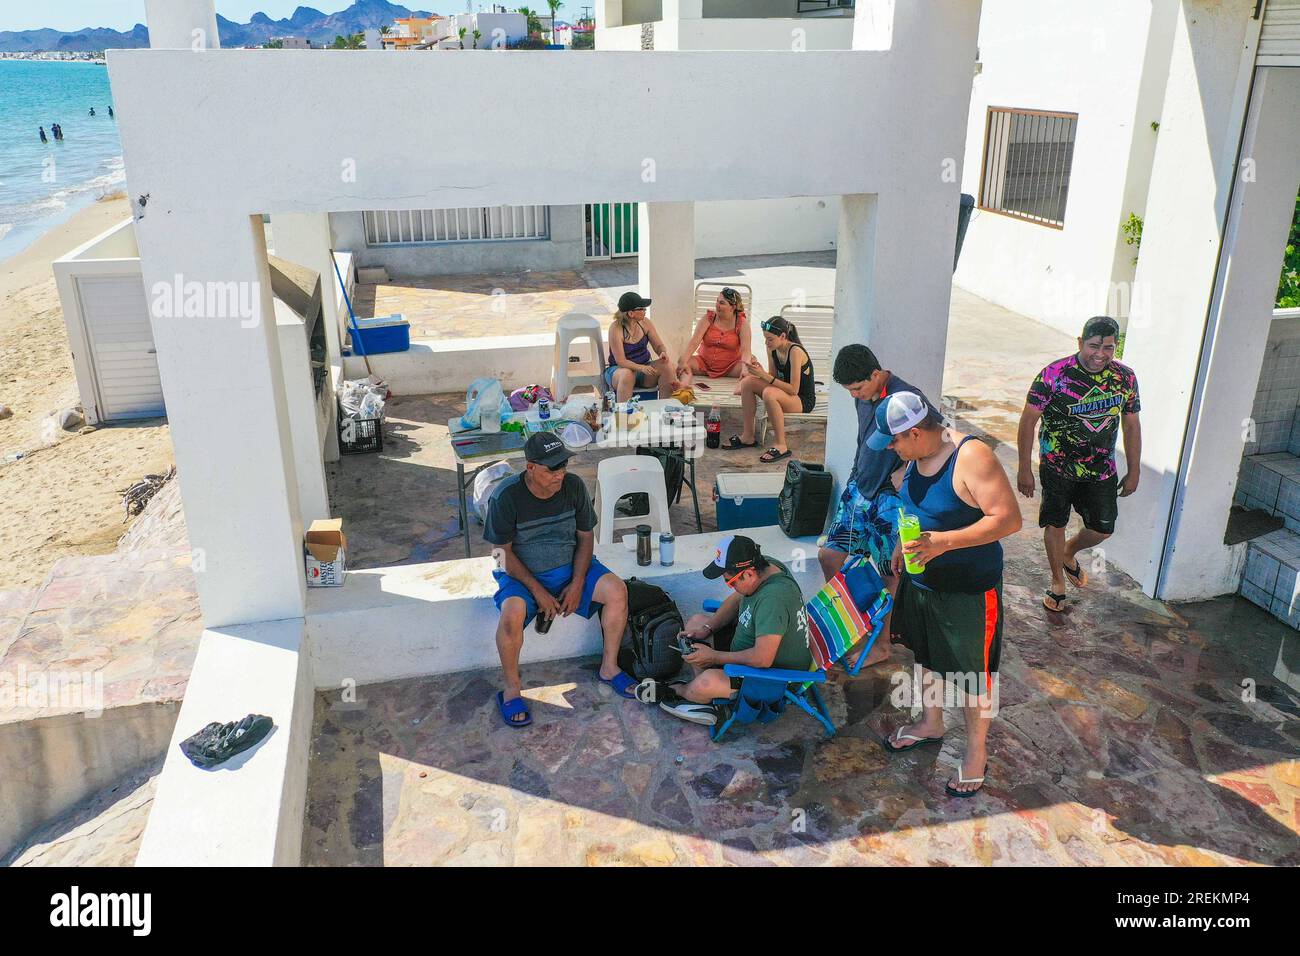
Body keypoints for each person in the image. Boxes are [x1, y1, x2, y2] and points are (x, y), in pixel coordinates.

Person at [872, 392, 1021, 797]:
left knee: (973, 673)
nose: (890, 448)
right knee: (926, 655)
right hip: (923, 585)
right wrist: (905, 544)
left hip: (969, 591)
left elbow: (1009, 519)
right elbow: (916, 510)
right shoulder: (915, 458)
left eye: (894, 440)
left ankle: (976, 750)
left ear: (916, 432)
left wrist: (945, 543)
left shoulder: (972, 457)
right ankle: (931, 721)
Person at [483, 432, 635, 727]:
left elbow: (585, 536)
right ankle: (512, 690)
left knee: (617, 590)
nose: (560, 474)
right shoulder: (506, 496)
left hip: (572, 567)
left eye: (563, 466)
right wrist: (537, 591)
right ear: (530, 468)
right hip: (521, 575)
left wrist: (578, 583)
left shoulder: (574, 486)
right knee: (512, 614)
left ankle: (610, 668)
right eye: (552, 469)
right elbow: (500, 553)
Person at [818, 344, 938, 668]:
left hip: (891, 498)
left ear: (876, 375)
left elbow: (936, 441)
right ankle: (851, 624)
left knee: (890, 573)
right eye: (850, 391)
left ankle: (881, 643)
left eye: (858, 388)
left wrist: (905, 471)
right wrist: (857, 472)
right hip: (861, 487)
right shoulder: (862, 395)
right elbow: (864, 440)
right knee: (829, 555)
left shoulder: (908, 398)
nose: (855, 395)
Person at [1016, 315, 1141, 612]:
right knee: (1054, 522)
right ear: (1080, 342)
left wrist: (1134, 469)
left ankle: (1068, 551)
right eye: (1094, 345)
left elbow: (1132, 425)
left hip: (1101, 469)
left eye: (1108, 347)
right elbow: (1028, 420)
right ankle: (1057, 582)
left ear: (1116, 347)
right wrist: (1024, 468)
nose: (1100, 354)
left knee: (1103, 528)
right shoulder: (1053, 374)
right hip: (1057, 465)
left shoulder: (1125, 378)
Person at [656, 534, 813, 727]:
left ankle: (684, 691)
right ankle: (709, 696)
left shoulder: (773, 600)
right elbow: (737, 598)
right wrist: (707, 629)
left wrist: (714, 657)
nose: (730, 586)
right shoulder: (767, 566)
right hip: (750, 644)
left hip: (773, 676)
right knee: (697, 623)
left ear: (748, 573)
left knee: (705, 684)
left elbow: (763, 659)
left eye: (730, 581)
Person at [726, 315, 815, 462]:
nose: (767, 343)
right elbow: (773, 377)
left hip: (802, 400)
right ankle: (748, 436)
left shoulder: (795, 351)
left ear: (783, 336)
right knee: (748, 382)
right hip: (785, 393)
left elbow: (794, 389)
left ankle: (781, 445)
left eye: (770, 339)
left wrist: (765, 377)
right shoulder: (772, 348)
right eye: (765, 338)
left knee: (769, 393)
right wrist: (759, 372)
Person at [606, 291, 675, 402]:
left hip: (643, 369)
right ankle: (623, 416)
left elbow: (659, 345)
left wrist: (662, 352)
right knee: (627, 374)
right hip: (620, 371)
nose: (644, 311)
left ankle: (665, 410)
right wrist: (641, 368)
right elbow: (621, 361)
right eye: (641, 309)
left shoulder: (645, 323)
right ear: (631, 313)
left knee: (667, 366)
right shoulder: (616, 328)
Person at [675, 286, 750, 384]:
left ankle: (741, 389)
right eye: (717, 301)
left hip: (731, 367)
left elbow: (746, 350)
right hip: (703, 364)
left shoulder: (741, 323)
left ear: (733, 307)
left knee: (754, 368)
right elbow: (695, 342)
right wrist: (683, 360)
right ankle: (683, 386)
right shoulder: (708, 318)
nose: (717, 305)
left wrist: (744, 368)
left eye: (722, 303)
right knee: (685, 364)